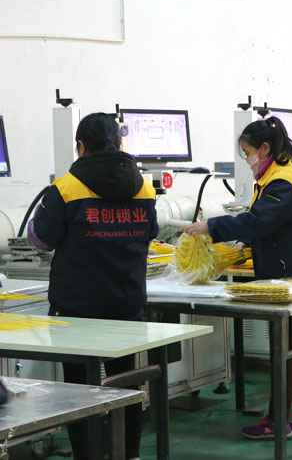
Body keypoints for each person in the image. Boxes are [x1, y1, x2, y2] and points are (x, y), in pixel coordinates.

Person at [186, 116, 292, 440]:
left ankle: (276, 421)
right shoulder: (285, 174)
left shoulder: (283, 181)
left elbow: (258, 222)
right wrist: (243, 242)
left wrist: (210, 227)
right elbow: (269, 223)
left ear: (265, 148)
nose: (247, 159)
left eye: (248, 152)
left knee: (286, 349)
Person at [28, 113, 158, 460]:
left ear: (81, 146)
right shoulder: (143, 187)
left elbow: (41, 239)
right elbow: (151, 232)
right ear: (118, 142)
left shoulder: (67, 188)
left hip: (77, 306)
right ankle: (129, 453)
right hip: (126, 302)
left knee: (78, 391)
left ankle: (86, 454)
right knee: (126, 384)